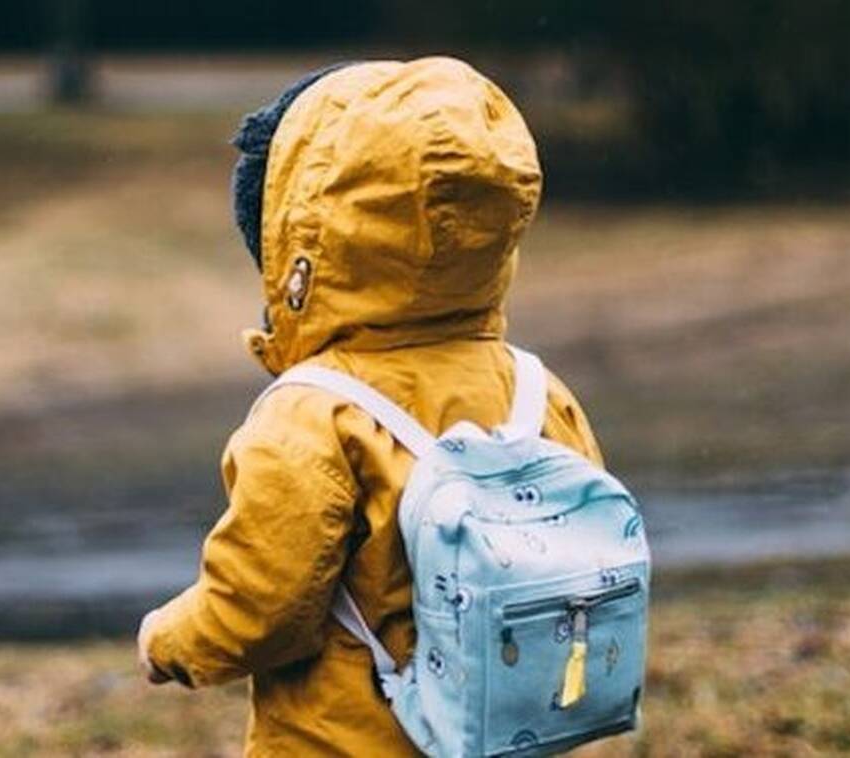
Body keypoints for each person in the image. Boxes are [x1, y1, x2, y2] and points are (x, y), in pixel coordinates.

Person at [136, 56, 603, 756]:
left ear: (302, 242)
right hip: (506, 737)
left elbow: (261, 607)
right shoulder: (537, 391)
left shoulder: (314, 416)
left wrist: (168, 641)